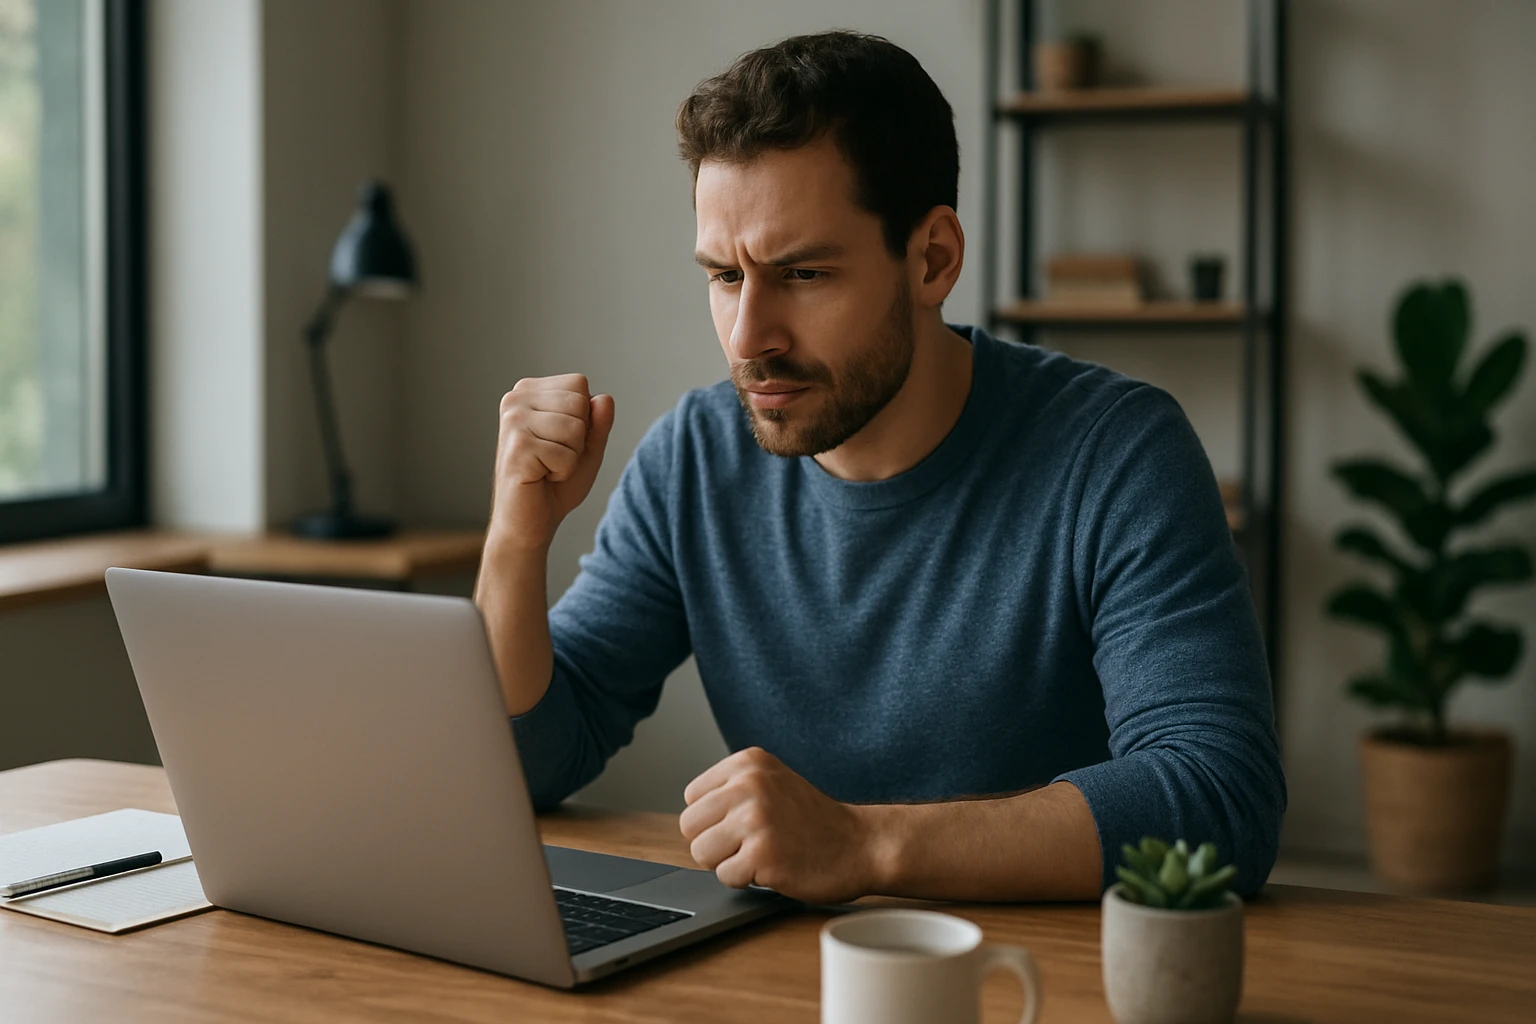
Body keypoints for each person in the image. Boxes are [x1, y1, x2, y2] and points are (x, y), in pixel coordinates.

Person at [473, 30, 1285, 905]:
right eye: (722, 276)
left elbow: (1217, 793)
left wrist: (865, 843)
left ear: (932, 259)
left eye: (805, 272)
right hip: (796, 977)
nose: (749, 339)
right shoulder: (694, 460)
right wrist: (516, 542)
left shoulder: (1116, 453)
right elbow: (528, 761)